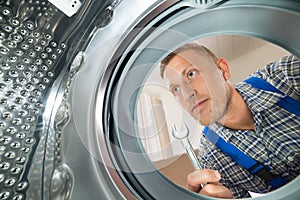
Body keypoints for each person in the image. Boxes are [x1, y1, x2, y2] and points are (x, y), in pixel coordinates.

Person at [160, 42, 300, 199]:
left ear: (223, 70)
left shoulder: (287, 75)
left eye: (191, 74)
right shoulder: (212, 161)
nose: (187, 94)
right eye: (176, 89)